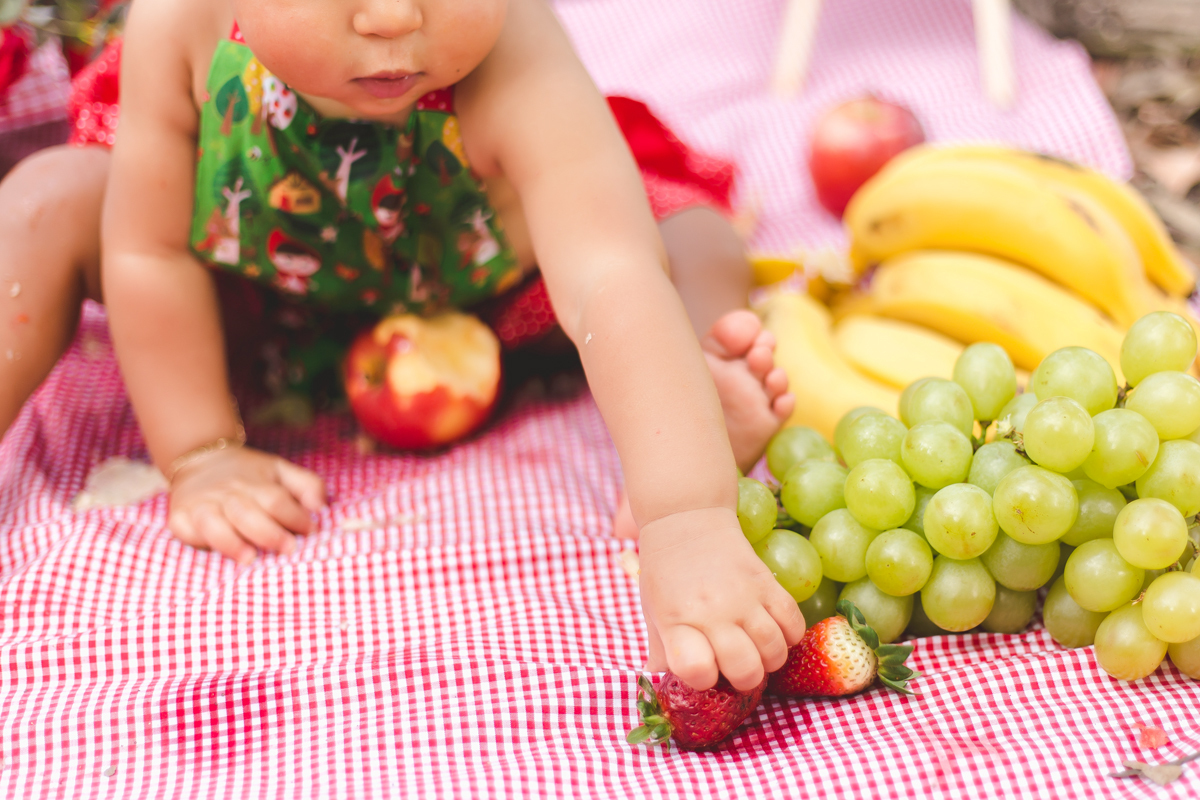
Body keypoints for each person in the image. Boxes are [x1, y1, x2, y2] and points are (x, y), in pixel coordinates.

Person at [0, 0, 803, 693]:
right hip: (261, 296)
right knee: (48, 199)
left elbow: (607, 274)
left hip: (501, 310)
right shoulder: (180, 26)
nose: (392, 17)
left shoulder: (513, 53)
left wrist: (685, 519)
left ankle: (693, 390)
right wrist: (199, 451)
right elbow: (151, 253)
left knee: (686, 240)